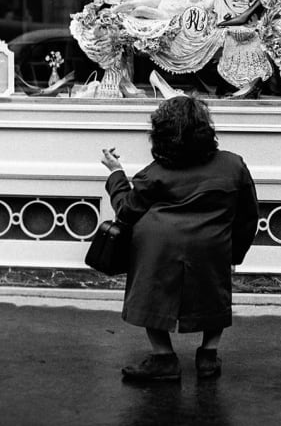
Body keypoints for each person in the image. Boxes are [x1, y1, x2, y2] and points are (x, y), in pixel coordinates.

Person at [101, 97, 258, 383]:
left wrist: (115, 173)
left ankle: (164, 358)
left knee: (153, 298)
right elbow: (249, 214)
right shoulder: (233, 165)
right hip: (213, 246)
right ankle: (208, 357)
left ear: (161, 136)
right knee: (214, 296)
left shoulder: (154, 174)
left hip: (158, 248)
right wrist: (235, 253)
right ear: (205, 130)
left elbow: (126, 210)